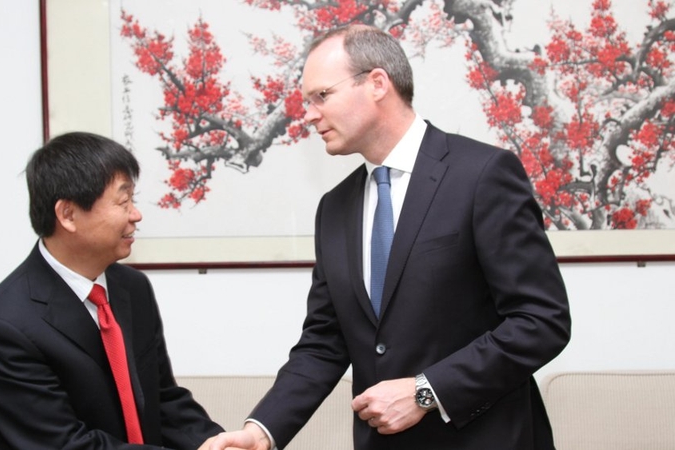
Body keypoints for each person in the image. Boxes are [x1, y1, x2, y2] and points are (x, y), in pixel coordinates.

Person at [202, 24, 571, 450]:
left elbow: (541, 321)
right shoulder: (335, 208)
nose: (309, 114)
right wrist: (260, 432)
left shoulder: (482, 175)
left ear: (378, 83)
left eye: (322, 96)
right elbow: (324, 342)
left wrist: (426, 392)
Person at [0, 132, 223, 449]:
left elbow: (162, 399)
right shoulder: (4, 325)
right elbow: (65, 444)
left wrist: (218, 444)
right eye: (123, 201)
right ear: (68, 215)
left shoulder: (132, 287)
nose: (136, 214)